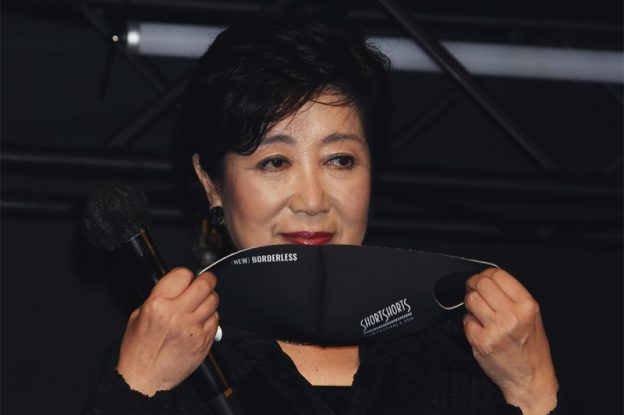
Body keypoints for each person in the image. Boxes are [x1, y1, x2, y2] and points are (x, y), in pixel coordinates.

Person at [86, 16, 562, 415]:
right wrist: (139, 382)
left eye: (340, 160)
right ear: (212, 183)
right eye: (275, 162)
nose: (312, 201)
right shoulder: (170, 360)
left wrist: (533, 389)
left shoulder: (466, 356)